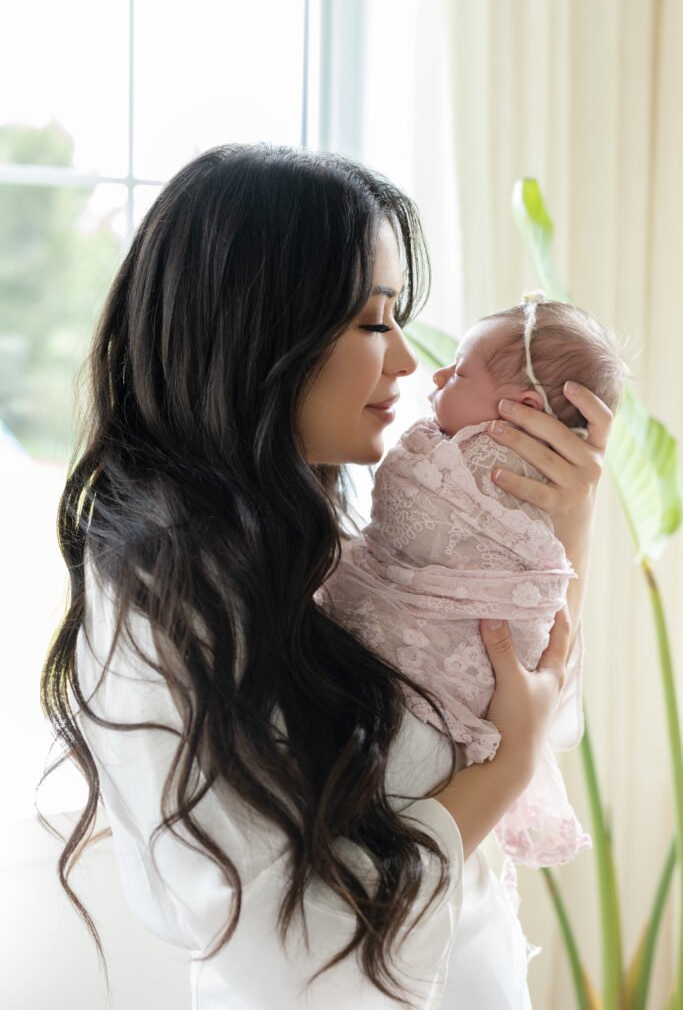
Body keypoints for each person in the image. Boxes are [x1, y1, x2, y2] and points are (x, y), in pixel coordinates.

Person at [39, 144, 613, 1010]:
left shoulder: (330, 540)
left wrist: (555, 529)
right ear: (261, 333)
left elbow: (513, 704)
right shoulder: (167, 609)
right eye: (375, 323)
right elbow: (287, 942)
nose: (409, 366)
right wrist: (501, 774)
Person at [320, 297, 627, 882]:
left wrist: (572, 525)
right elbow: (347, 899)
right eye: (371, 325)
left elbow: (539, 676)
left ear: (524, 409)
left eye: (458, 371)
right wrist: (512, 759)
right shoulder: (209, 571)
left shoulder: (501, 478)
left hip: (470, 921)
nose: (413, 364)